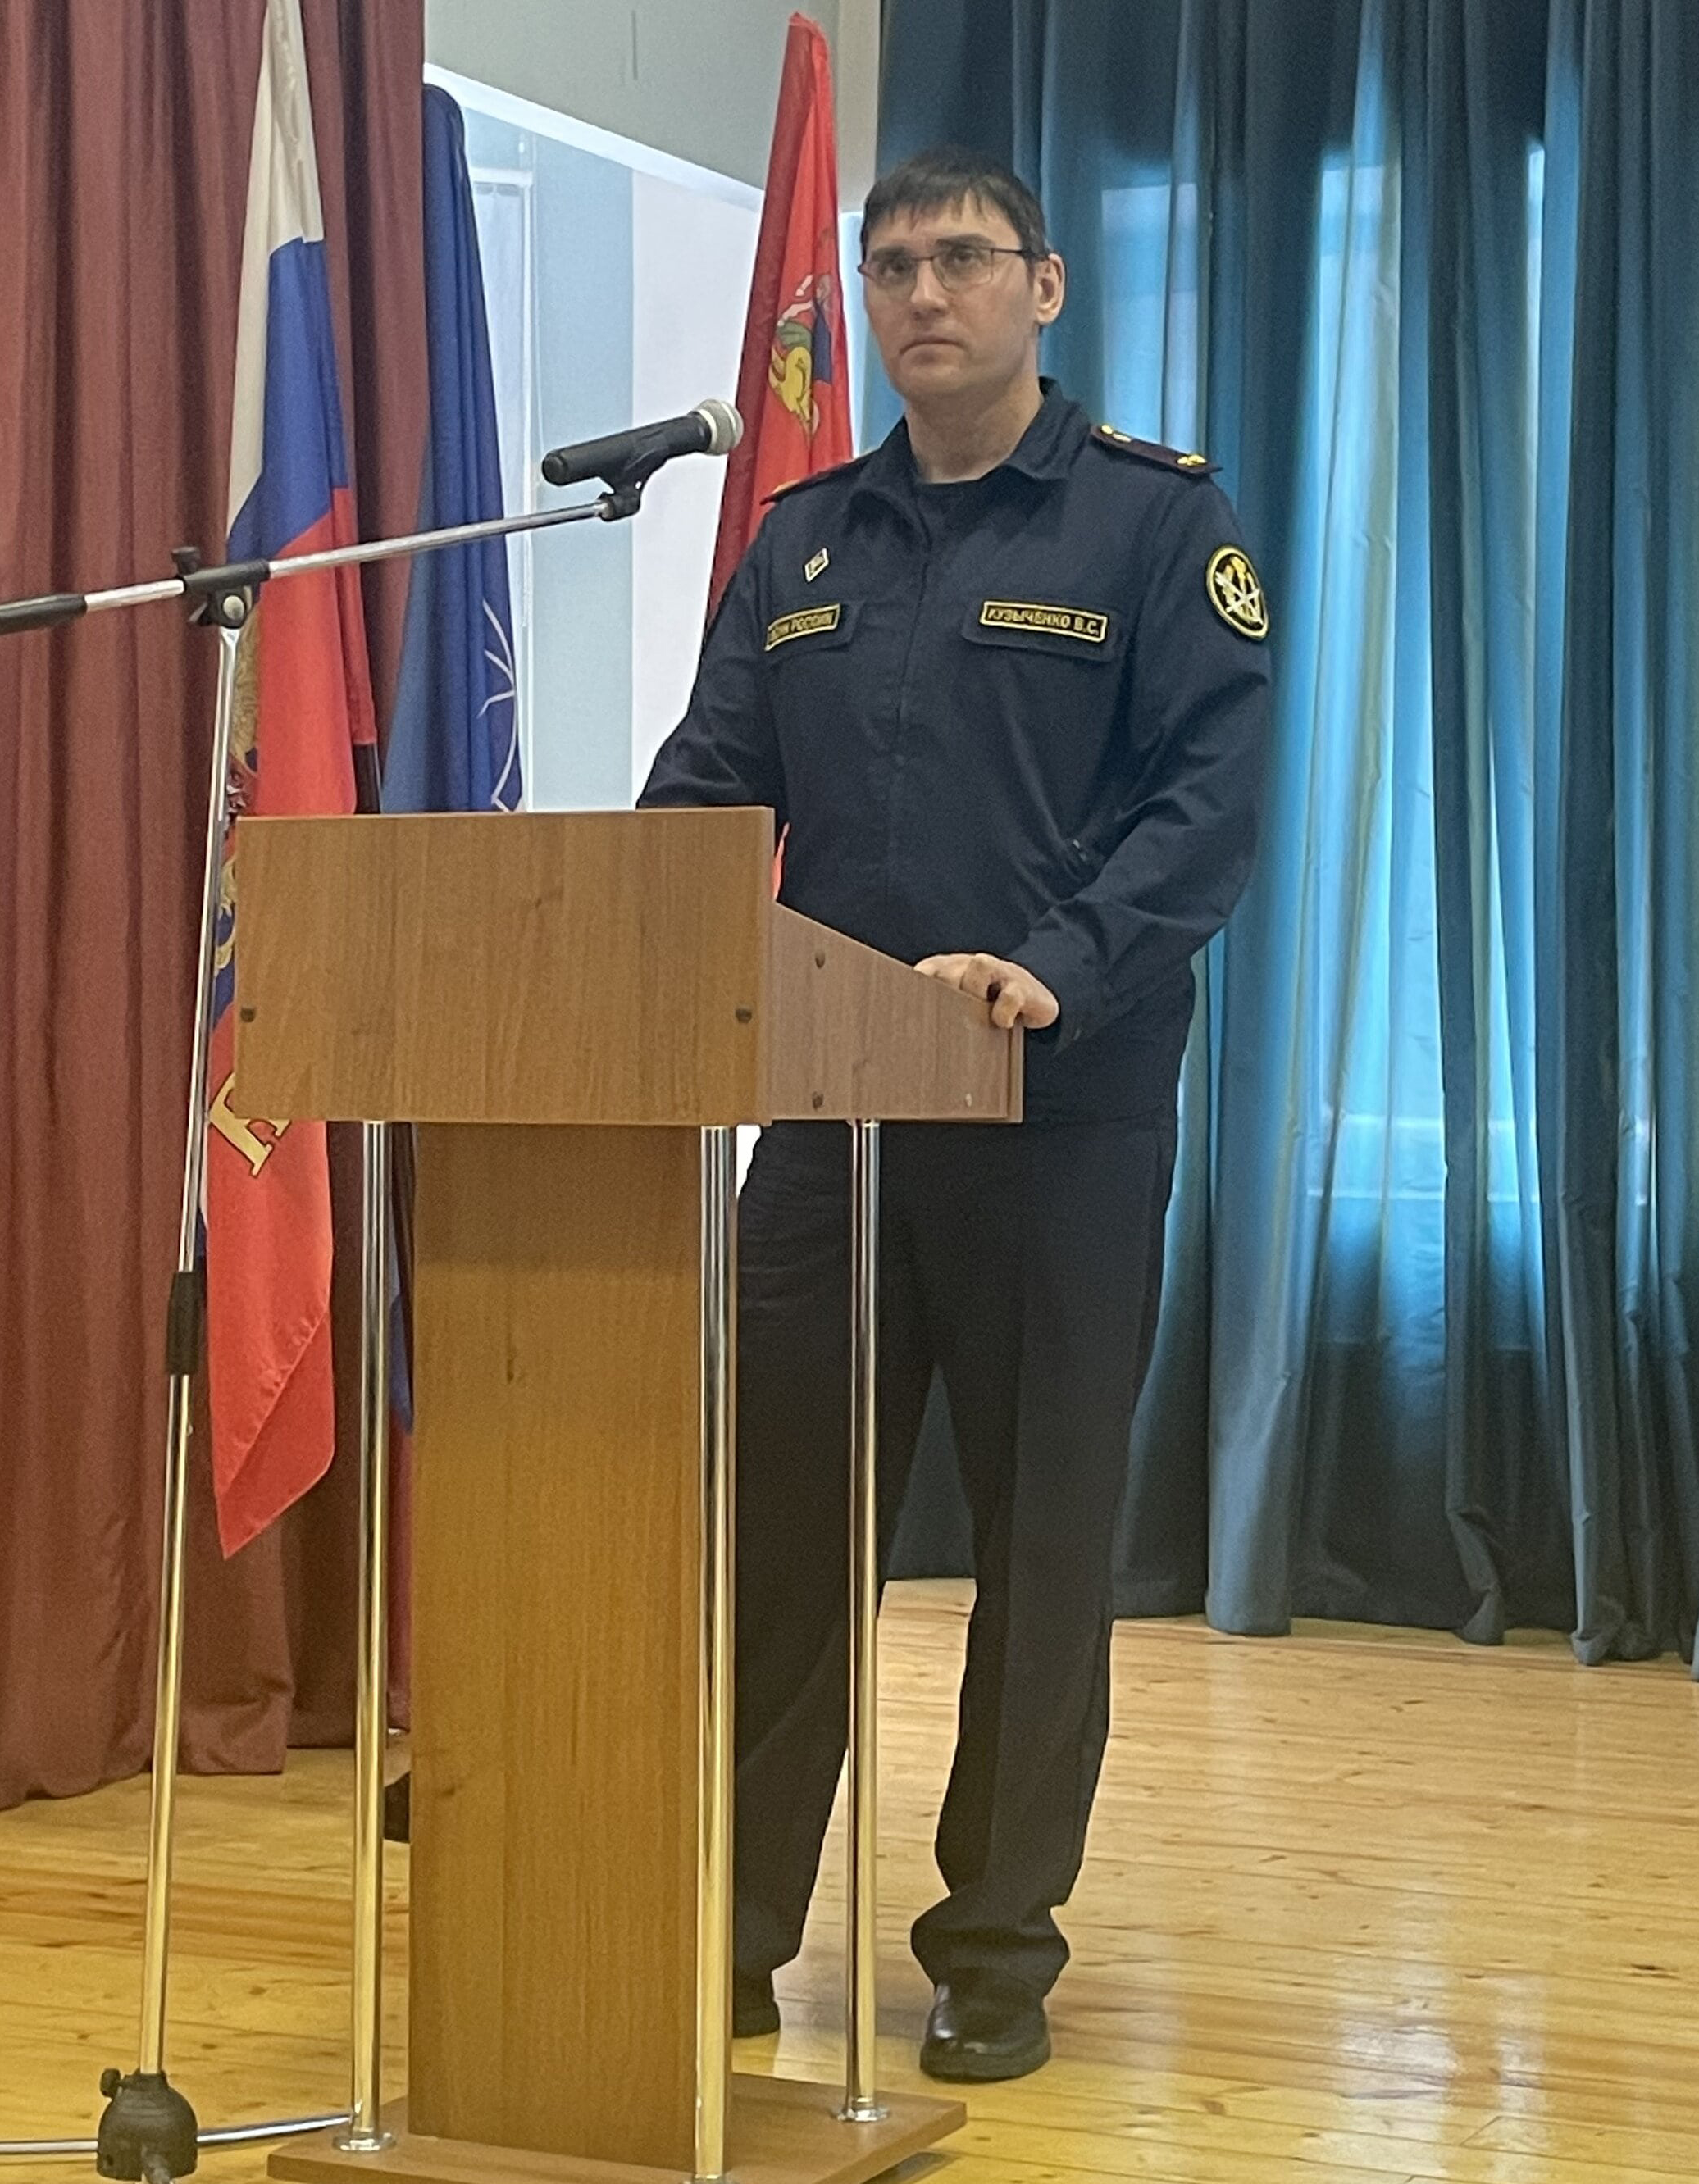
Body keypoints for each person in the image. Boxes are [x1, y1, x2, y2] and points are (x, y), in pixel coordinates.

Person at [637, 147, 1271, 2083]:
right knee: (780, 1537)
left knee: (1040, 1547)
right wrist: (627, 920)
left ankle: (994, 1946)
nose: (924, 292)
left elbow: (1208, 803)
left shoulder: (1156, 522)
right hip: (828, 1122)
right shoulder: (804, 540)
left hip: (1055, 1116)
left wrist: (1059, 964)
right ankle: (734, 1925)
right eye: (893, 264)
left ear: (1044, 287)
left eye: (963, 259)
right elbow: (708, 782)